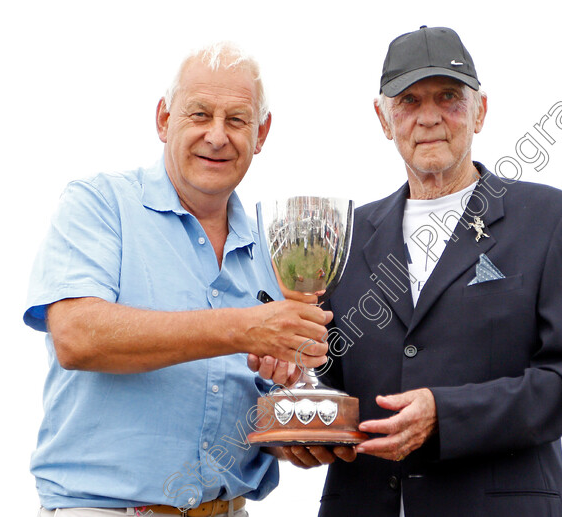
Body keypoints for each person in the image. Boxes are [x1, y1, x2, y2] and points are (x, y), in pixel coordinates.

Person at [273, 26, 562, 516]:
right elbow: (328, 370)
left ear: (480, 110)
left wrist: (445, 416)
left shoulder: (553, 220)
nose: (429, 117)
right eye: (408, 100)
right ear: (384, 119)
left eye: (448, 97)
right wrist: (302, 418)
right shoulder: (344, 234)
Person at [23, 42, 332, 516]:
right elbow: (76, 336)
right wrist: (244, 328)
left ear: (262, 132)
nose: (216, 136)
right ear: (164, 119)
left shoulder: (273, 254)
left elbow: (253, 404)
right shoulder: (99, 205)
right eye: (200, 114)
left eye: (236, 120)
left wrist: (289, 429)